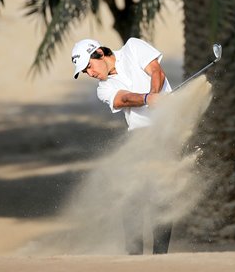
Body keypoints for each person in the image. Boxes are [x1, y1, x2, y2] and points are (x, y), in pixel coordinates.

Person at [71, 37, 173, 254]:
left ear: (99, 53)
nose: (91, 74)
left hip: (167, 133)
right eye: (86, 72)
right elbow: (123, 99)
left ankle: (160, 258)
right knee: (132, 196)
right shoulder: (104, 88)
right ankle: (133, 257)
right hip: (140, 138)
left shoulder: (133, 48)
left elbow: (157, 72)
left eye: (89, 66)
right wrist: (148, 99)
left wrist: (154, 94)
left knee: (161, 197)